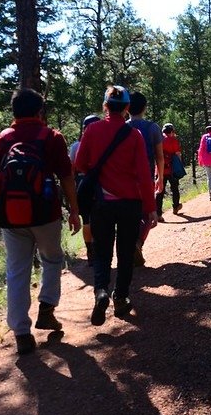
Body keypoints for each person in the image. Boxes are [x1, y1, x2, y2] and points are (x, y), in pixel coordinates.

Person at [0, 88, 81, 356]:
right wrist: (74, 210)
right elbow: (67, 177)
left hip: (11, 216)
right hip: (45, 213)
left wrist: (4, 208)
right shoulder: (51, 137)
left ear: (13, 111)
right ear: (40, 111)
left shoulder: (0, 141)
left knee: (17, 270)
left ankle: (21, 333)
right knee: (51, 259)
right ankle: (47, 309)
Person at [74, 85, 158, 326]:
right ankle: (120, 298)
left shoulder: (92, 130)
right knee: (125, 252)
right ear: (127, 108)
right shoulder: (134, 135)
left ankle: (100, 291)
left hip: (101, 203)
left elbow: (80, 165)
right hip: (130, 204)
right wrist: (150, 207)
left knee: (101, 251)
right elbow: (144, 174)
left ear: (105, 106)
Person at [126, 91, 164, 267]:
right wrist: (160, 177)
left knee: (129, 213)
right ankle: (139, 242)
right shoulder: (153, 128)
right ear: (145, 107)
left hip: (124, 178)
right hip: (146, 176)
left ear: (127, 108)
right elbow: (159, 157)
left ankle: (130, 244)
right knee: (149, 213)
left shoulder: (123, 127)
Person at [70, 114, 101, 264]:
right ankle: (98, 249)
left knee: (86, 220)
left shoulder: (75, 146)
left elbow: (71, 170)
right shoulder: (102, 144)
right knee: (100, 218)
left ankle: (90, 251)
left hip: (81, 184)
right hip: (98, 184)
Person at [157, 123, 182, 220]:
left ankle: (158, 214)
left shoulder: (158, 139)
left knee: (159, 191)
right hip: (171, 169)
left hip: (160, 169)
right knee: (174, 188)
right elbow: (178, 154)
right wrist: (179, 166)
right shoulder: (173, 140)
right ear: (171, 131)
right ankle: (176, 206)